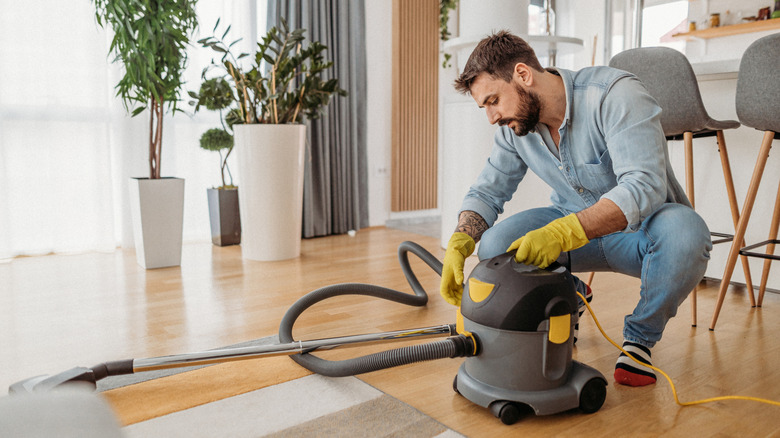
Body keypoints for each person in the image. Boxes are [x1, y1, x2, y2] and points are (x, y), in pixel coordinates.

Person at [439, 31, 712, 387]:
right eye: (485, 107)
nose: (492, 117)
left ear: (523, 75)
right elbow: (489, 190)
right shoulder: (515, 129)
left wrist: (561, 233)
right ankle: (568, 293)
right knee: (494, 247)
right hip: (573, 232)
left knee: (687, 233)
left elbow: (644, 186)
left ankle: (639, 340)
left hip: (643, 233)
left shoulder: (615, 95)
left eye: (493, 101)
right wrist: (461, 240)